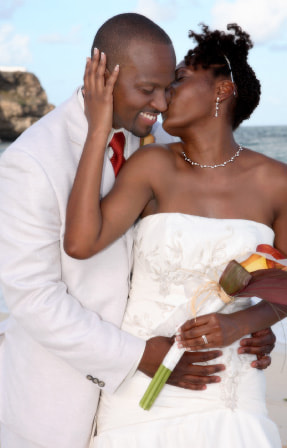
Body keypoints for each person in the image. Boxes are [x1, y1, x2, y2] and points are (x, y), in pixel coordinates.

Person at [0, 14, 275, 448]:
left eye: (169, 87)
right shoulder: (30, 161)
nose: (163, 104)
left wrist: (254, 319)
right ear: (103, 77)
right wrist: (140, 355)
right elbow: (34, 296)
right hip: (61, 398)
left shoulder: (159, 143)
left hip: (192, 384)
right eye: (150, 90)